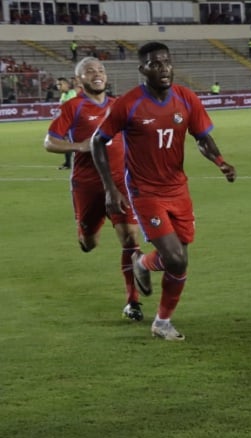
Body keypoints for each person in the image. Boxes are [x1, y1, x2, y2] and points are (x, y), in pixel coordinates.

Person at [90, 42, 237, 341]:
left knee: (180, 257)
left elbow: (202, 137)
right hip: (145, 191)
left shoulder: (186, 98)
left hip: (178, 189)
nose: (164, 68)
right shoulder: (129, 103)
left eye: (167, 62)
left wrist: (220, 161)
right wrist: (109, 188)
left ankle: (142, 263)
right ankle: (162, 323)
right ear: (142, 69)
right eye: (155, 64)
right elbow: (97, 142)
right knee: (177, 260)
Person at [44, 57, 144, 321]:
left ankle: (133, 303)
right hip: (88, 185)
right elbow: (50, 142)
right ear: (79, 80)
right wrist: (79, 146)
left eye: (100, 70)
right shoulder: (73, 107)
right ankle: (85, 231)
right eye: (89, 72)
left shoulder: (118, 106)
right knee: (89, 244)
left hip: (120, 183)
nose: (97, 75)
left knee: (131, 240)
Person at [55, 77, 78, 170]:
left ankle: (70, 163)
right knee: (66, 142)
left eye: (60, 84)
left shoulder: (72, 94)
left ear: (66, 84)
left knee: (70, 142)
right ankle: (68, 163)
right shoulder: (64, 95)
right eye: (57, 85)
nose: (58, 87)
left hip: (74, 122)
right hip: (67, 122)